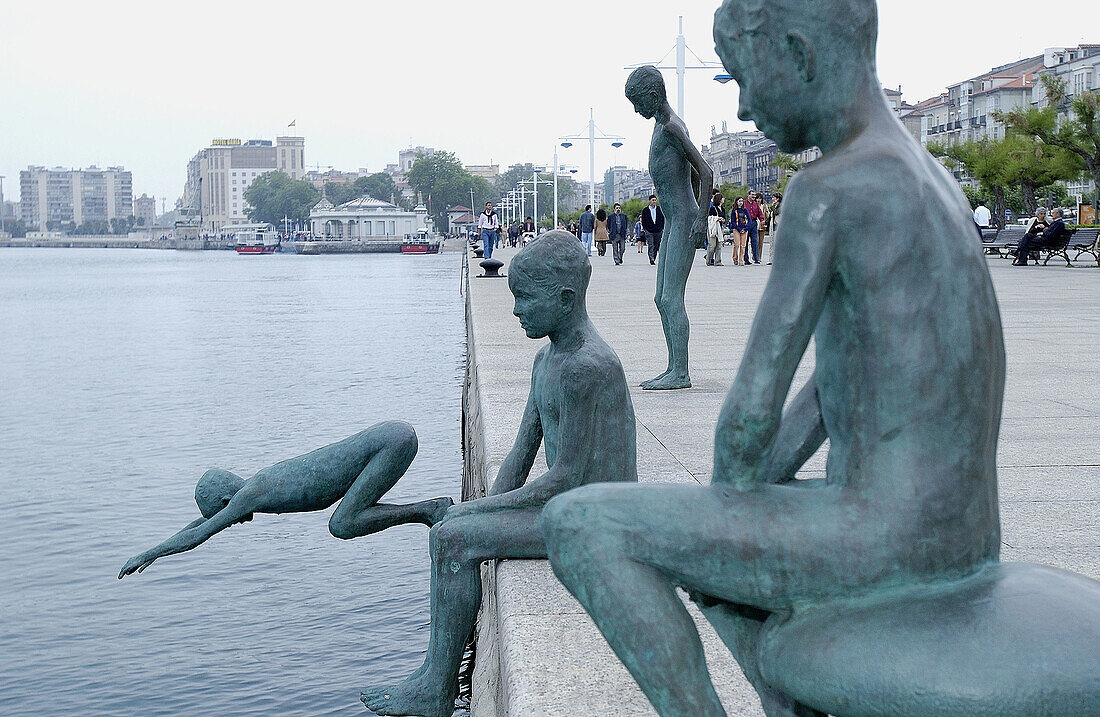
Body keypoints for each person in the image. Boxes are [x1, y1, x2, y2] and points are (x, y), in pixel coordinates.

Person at [542, 1, 1007, 714]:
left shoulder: (827, 190)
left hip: (890, 535)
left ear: (798, 52)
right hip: (964, 528)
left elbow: (748, 419)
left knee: (581, 524)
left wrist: (731, 496)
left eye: (746, 80)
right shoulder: (931, 178)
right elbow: (837, 382)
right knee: (715, 546)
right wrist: (742, 505)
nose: (749, 105)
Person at [360, 231, 637, 717]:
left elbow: (566, 477)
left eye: (526, 298)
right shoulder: (546, 360)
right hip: (572, 507)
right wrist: (479, 505)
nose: (515, 311)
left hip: (600, 519)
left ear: (566, 299)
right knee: (454, 529)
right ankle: (434, 676)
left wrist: (476, 511)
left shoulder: (586, 368)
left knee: (454, 539)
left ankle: (436, 688)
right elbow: (520, 454)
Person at [118, 422, 452, 578]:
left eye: (226, 512)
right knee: (343, 520)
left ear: (225, 499)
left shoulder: (250, 495)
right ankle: (429, 510)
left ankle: (429, 510)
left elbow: (199, 535)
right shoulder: (255, 485)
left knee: (342, 524)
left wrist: (148, 554)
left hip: (390, 444)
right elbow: (204, 524)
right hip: (390, 436)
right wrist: (160, 548)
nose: (234, 520)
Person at [628, 68, 714, 391]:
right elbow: (692, 173)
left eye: (637, 103)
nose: (636, 111)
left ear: (652, 97)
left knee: (672, 297)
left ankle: (681, 372)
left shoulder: (672, 128)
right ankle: (672, 366)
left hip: (683, 222)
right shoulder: (660, 128)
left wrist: (700, 217)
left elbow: (705, 173)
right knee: (660, 298)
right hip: (673, 222)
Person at [640, 194, 666, 266]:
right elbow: (643, 220)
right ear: (650, 201)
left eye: (655, 200)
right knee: (651, 245)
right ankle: (651, 258)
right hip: (649, 230)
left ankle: (653, 257)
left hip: (658, 230)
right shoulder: (645, 210)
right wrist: (645, 229)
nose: (654, 201)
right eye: (653, 200)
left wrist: (661, 227)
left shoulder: (659, 209)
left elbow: (663, 219)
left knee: (656, 245)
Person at [706, 191, 726, 266]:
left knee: (719, 245)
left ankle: (718, 261)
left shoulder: (723, 209)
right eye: (722, 198)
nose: (724, 199)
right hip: (714, 228)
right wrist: (717, 218)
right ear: (719, 199)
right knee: (712, 245)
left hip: (720, 228)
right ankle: (708, 259)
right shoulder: (713, 209)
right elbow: (709, 218)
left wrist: (723, 220)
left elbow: (724, 218)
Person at [729, 196, 751, 266]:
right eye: (739, 201)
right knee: (736, 244)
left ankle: (741, 260)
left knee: (743, 245)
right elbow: (733, 221)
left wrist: (745, 229)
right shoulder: (734, 210)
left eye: (742, 201)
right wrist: (739, 229)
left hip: (744, 229)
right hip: (737, 229)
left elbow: (749, 220)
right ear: (736, 202)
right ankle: (735, 258)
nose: (741, 202)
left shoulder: (745, 210)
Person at [744, 191, 764, 264]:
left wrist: (762, 220)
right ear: (748, 195)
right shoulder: (744, 203)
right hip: (746, 223)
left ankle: (756, 258)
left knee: (755, 241)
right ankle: (746, 259)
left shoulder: (755, 204)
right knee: (745, 242)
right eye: (752, 195)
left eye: (754, 195)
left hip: (754, 223)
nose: (754, 196)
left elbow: (760, 213)